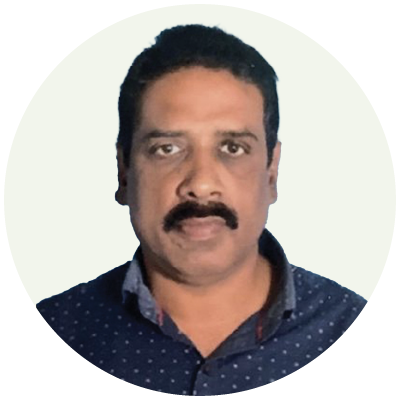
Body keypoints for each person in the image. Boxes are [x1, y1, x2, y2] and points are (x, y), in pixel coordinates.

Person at [36, 24, 366, 395]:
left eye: (232, 148)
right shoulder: (47, 336)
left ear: (271, 172)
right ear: (124, 172)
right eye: (167, 149)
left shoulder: (360, 336)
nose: (202, 183)